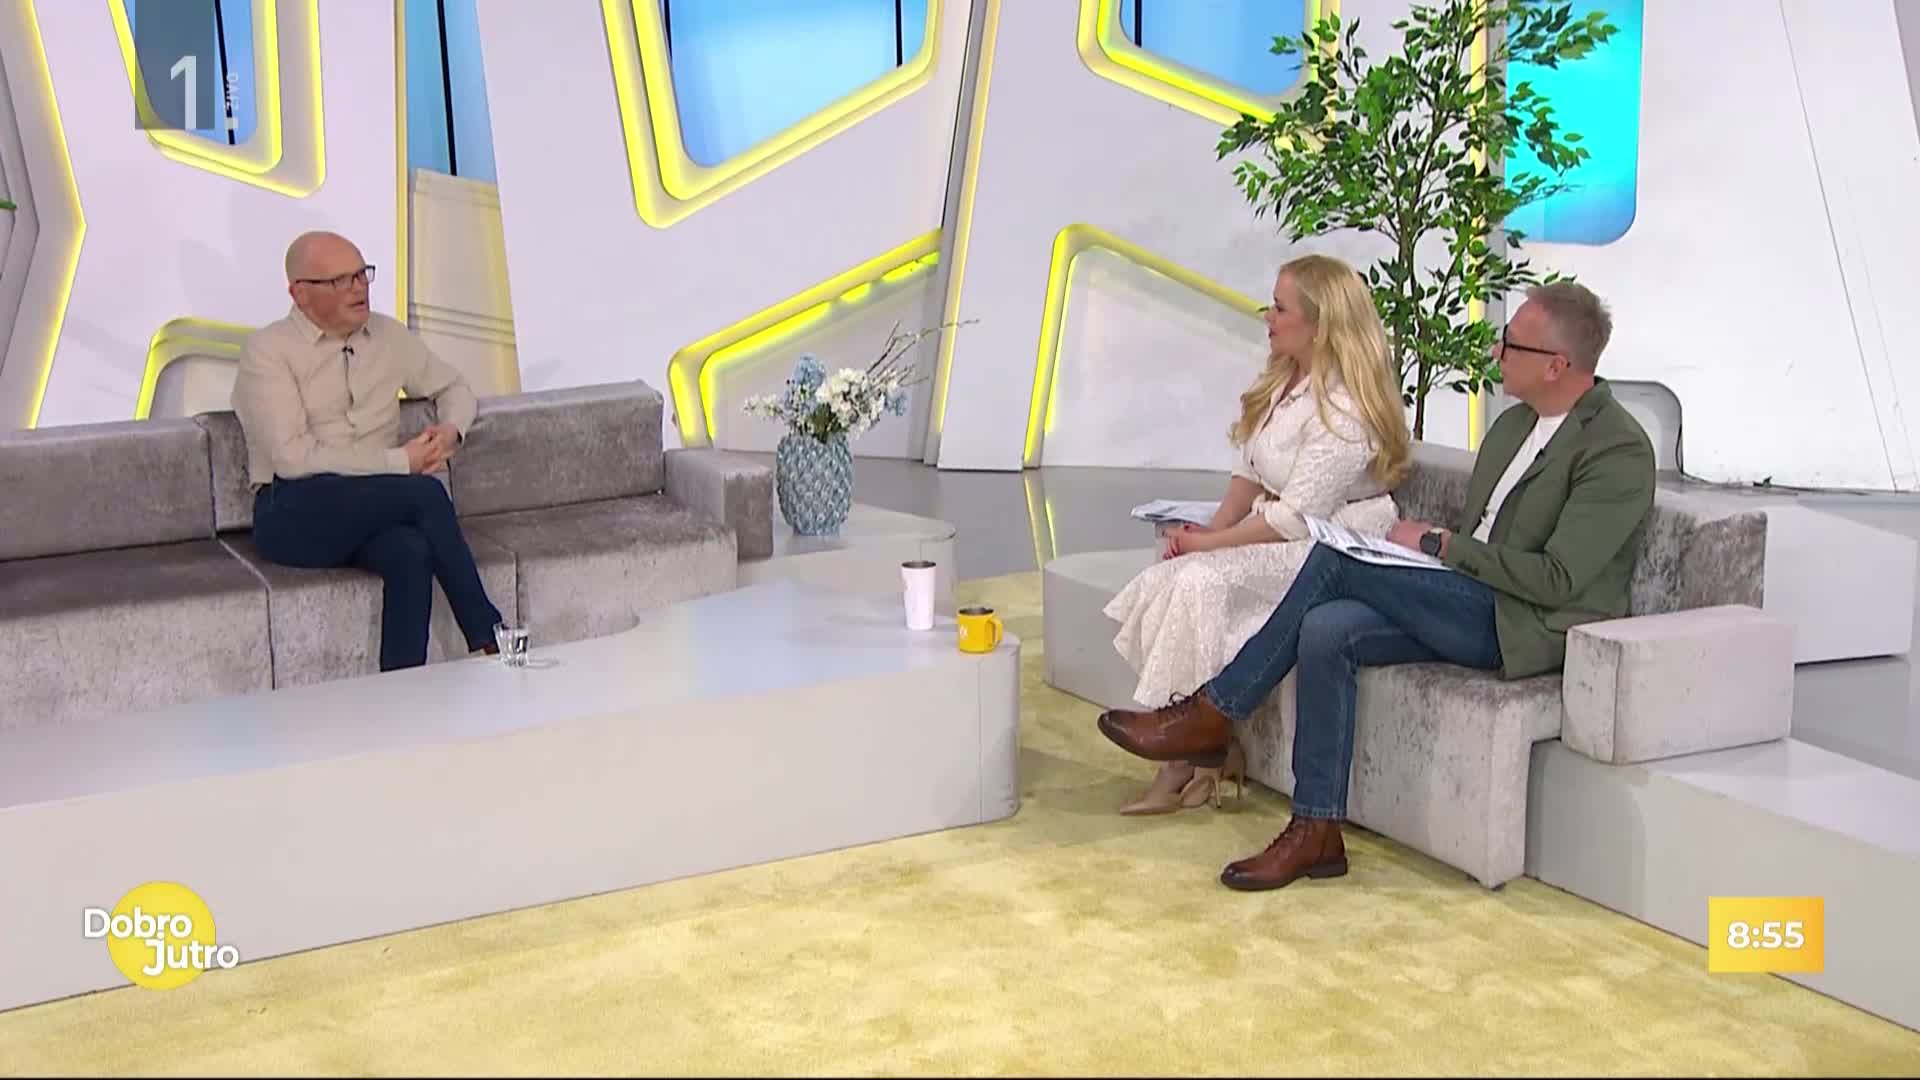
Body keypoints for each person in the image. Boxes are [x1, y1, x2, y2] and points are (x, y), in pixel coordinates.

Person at [1095, 281, 1655, 890]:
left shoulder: (1616, 449)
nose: (1496, 354)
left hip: (1521, 623)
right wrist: (1436, 558)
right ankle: (1316, 831)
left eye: (1511, 345)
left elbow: (1558, 579)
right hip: (1462, 592)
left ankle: (1216, 710)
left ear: (1556, 365)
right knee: (1326, 627)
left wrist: (1440, 545)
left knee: (1334, 559)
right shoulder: (1515, 425)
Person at [1102, 253, 1411, 815]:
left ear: (1319, 325)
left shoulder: (1346, 409)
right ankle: (1202, 756)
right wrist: (1209, 529)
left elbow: (1295, 518)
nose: (1267, 317)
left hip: (1328, 548)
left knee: (1198, 579)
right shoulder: (1283, 378)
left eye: (1280, 309)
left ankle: (1187, 756)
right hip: (1280, 532)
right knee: (1177, 573)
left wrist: (1207, 547)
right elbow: (1249, 471)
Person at [232, 230, 504, 672]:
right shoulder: (268, 351)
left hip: (372, 504)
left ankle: (400, 690)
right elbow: (293, 458)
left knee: (410, 550)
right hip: (293, 508)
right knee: (425, 494)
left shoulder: (387, 336)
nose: (358, 288)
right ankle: (491, 637)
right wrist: (401, 462)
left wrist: (452, 430)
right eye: (341, 280)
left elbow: (454, 386)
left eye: (362, 275)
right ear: (300, 293)